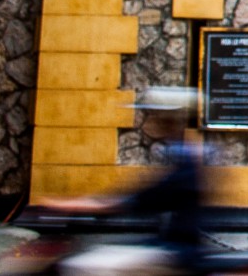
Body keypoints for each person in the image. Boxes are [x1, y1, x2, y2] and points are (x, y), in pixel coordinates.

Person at [50, 86, 208, 275]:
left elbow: (144, 198)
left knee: (84, 267)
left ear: (169, 120)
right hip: (169, 245)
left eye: (156, 116)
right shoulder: (182, 152)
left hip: (177, 251)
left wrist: (89, 205)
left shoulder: (184, 159)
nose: (153, 121)